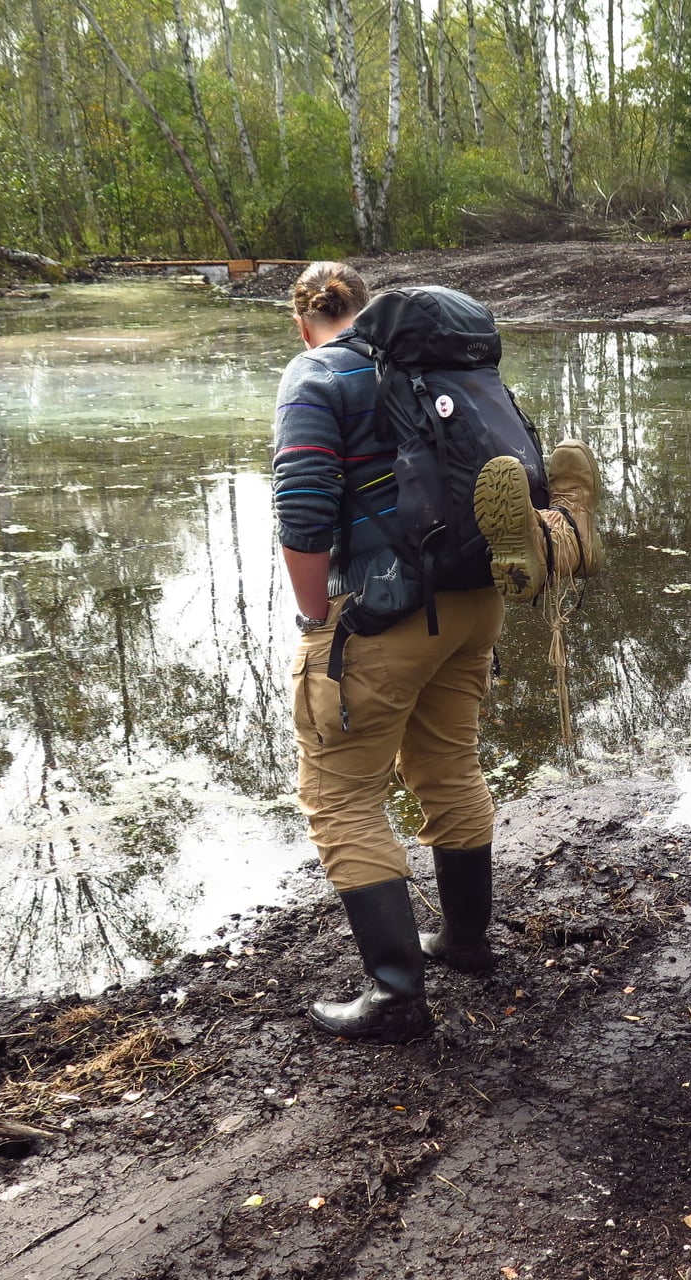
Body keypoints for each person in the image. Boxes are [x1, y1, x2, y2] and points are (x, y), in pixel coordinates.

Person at [272, 261, 603, 1042]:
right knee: (448, 765)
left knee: (343, 796)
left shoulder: (315, 373)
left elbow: (304, 508)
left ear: (303, 319)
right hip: (475, 599)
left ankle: (396, 999)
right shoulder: (445, 365)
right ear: (372, 305)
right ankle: (465, 941)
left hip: (379, 614)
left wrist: (317, 616)